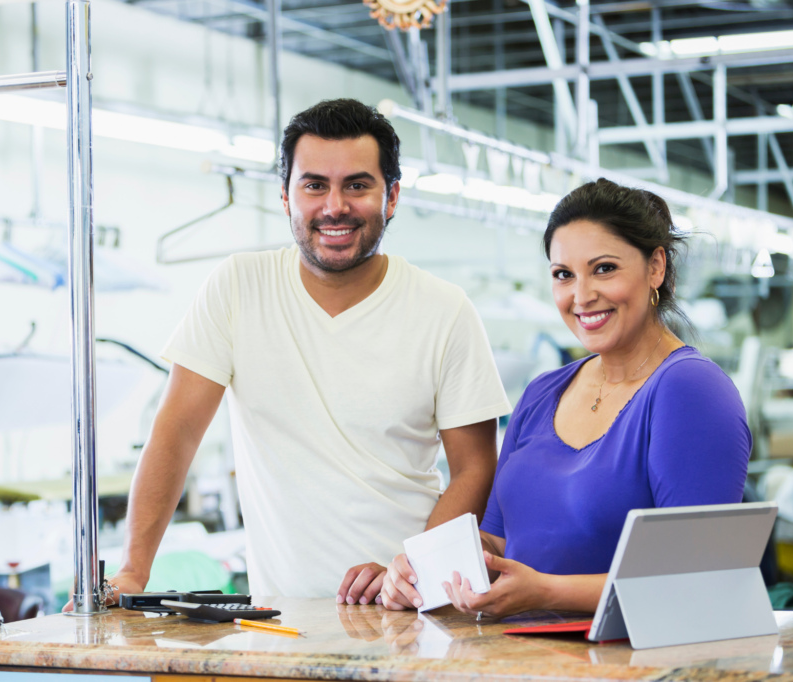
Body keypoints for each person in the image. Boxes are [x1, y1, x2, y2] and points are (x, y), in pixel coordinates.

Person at [80, 99, 511, 609]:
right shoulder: (239, 286)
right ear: (286, 197)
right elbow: (177, 433)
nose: (335, 206)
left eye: (357, 185)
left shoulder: (445, 310)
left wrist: (414, 570)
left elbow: (475, 469)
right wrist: (133, 569)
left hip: (413, 613)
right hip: (280, 621)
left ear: (391, 196)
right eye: (314, 185)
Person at [380, 178, 751, 616]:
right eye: (563, 275)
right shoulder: (542, 393)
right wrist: (420, 568)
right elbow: (497, 539)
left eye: (604, 268)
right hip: (522, 657)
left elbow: (697, 578)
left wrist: (547, 591)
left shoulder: (689, 390)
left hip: (628, 665)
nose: (581, 295)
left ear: (656, 267)